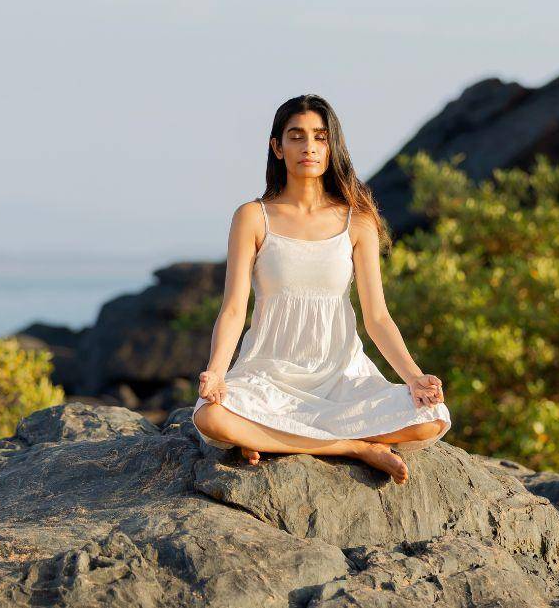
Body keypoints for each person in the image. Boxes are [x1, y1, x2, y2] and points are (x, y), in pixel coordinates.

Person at [191, 94, 451, 485]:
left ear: (333, 146)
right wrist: (216, 372)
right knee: (209, 417)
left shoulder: (358, 220)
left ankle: (277, 438)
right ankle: (352, 447)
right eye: (296, 136)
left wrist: (414, 378)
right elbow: (232, 309)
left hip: (340, 376)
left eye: (320, 137)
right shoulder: (252, 217)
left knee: (432, 418)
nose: (308, 147)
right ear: (277, 147)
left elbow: (377, 317)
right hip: (268, 375)